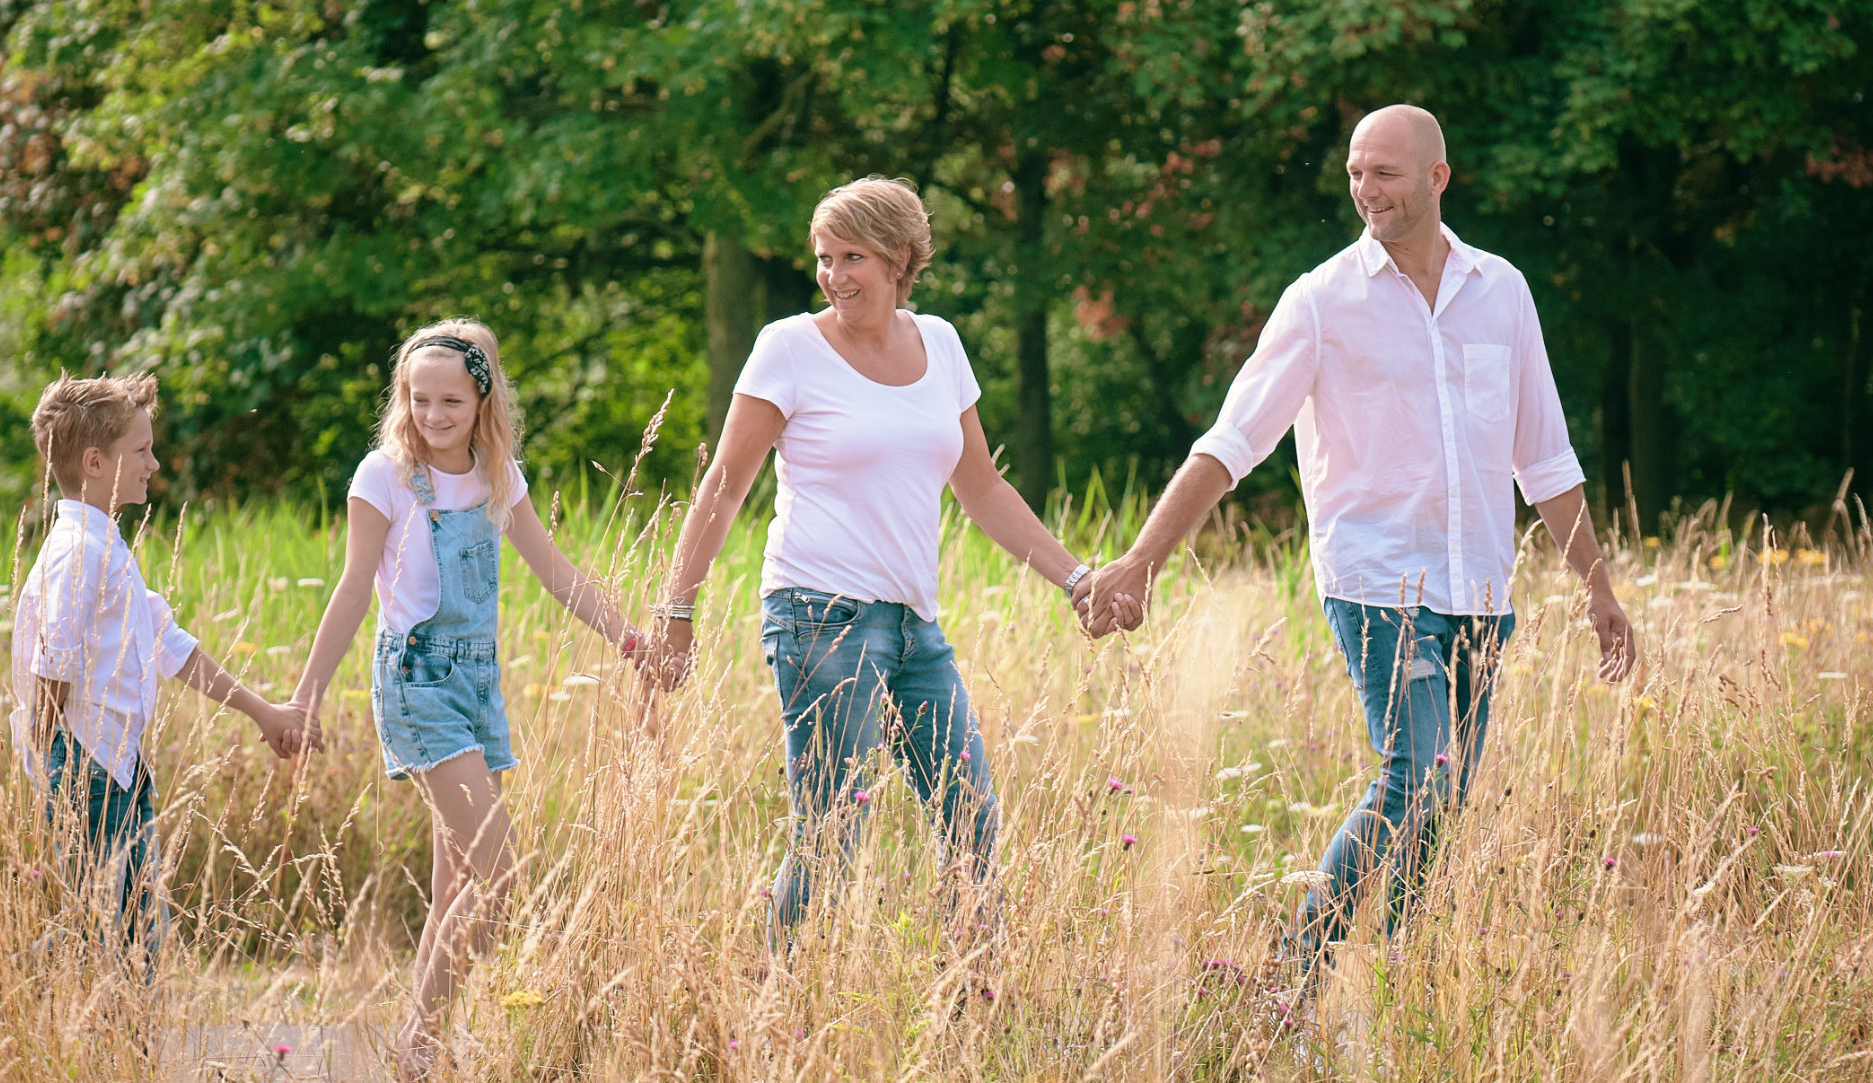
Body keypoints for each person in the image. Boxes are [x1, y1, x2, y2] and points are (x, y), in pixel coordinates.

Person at [1083, 105, 1637, 990]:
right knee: (1417, 776)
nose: (1365, 189)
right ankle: (1299, 969)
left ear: (1437, 178)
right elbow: (1230, 443)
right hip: (1378, 583)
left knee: (1442, 802)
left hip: (1481, 591)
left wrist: (1598, 589)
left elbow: (1544, 456)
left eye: (1383, 172)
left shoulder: (1503, 292)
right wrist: (1139, 561)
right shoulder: (1321, 301)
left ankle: (1382, 974)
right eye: (1354, 172)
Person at [646, 177, 1095, 956]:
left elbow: (981, 485)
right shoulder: (790, 348)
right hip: (820, 618)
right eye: (824, 258)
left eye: (853, 256)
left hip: (916, 626)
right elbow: (723, 488)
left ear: (901, 259)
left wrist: (1075, 578)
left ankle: (969, 1010)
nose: (834, 275)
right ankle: (772, 1012)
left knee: (971, 823)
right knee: (830, 838)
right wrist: (676, 612)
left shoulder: (942, 343)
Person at [287, 319, 644, 1076]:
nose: (434, 415)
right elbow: (353, 591)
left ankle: (420, 1051)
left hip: (478, 684)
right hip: (417, 684)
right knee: (501, 874)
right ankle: (420, 1043)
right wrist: (305, 697)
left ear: (483, 400)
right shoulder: (381, 477)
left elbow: (557, 571)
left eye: (451, 400)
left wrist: (632, 640)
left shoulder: (496, 475)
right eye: (419, 399)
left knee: (461, 882)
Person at [11, 372, 313, 978]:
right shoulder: (80, 551)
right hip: (87, 767)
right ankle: (81, 1034)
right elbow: (54, 665)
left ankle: (18, 1010)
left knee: (111, 926)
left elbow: (168, 644)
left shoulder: (107, 545)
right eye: (141, 450)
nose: (154, 462)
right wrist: (53, 768)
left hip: (113, 764)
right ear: (96, 462)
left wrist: (264, 711)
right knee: (130, 935)